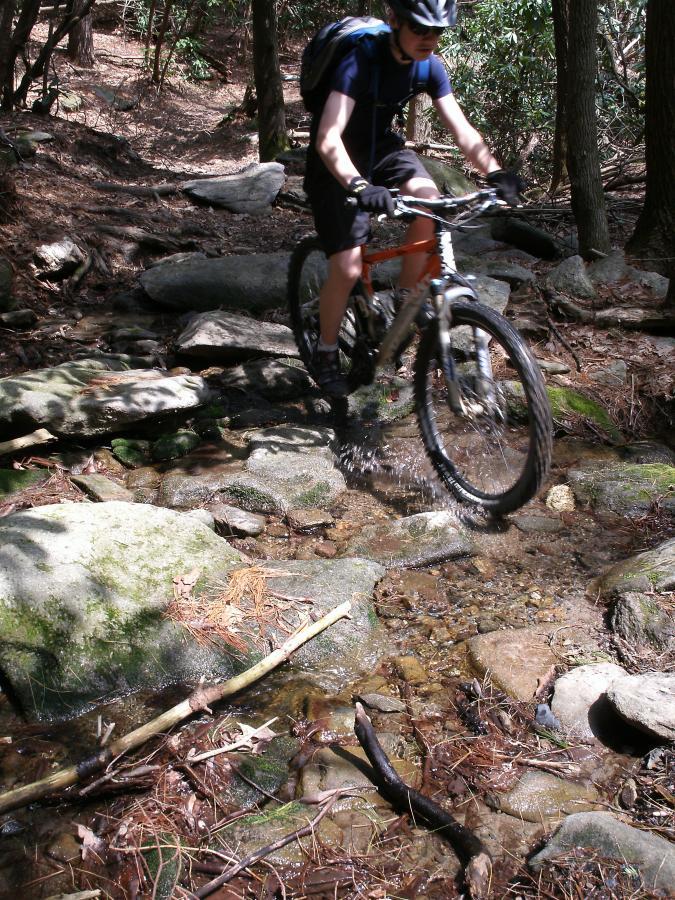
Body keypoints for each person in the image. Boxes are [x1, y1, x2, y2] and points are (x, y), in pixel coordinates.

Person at [303, 0, 524, 398]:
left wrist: (494, 172)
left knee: (429, 202)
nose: (429, 39)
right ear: (396, 22)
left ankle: (405, 305)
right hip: (336, 162)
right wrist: (357, 185)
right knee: (350, 265)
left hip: (383, 150)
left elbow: (461, 130)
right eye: (421, 29)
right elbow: (327, 138)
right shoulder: (359, 62)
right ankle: (326, 350)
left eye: (437, 32)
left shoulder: (429, 66)